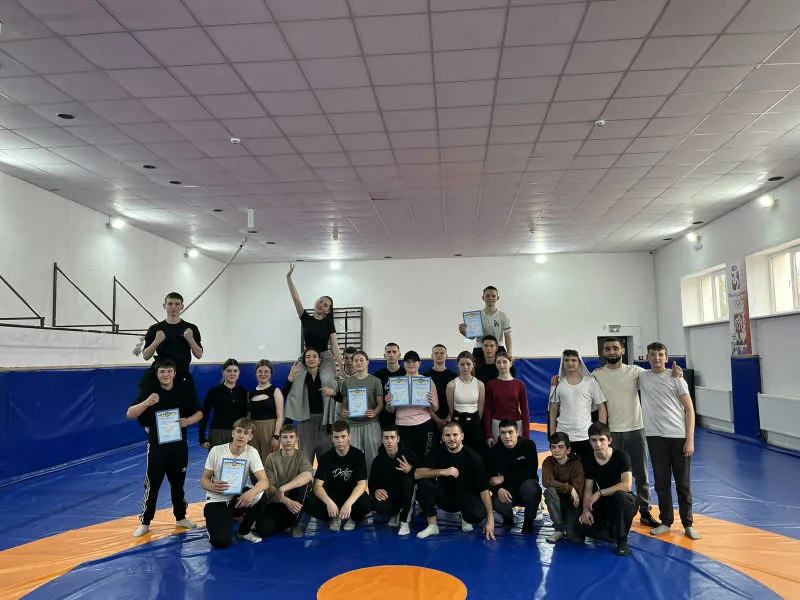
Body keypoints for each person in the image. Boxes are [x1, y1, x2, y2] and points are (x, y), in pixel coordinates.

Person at [592, 337, 681, 528]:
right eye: (608, 349)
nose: (612, 352)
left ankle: (645, 511)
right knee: (614, 474)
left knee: (641, 474)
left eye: (615, 348)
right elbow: (580, 382)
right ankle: (614, 511)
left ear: (623, 350)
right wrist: (557, 380)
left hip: (636, 429)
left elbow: (658, 373)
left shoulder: (636, 372)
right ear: (603, 352)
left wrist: (676, 372)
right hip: (612, 432)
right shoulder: (597, 375)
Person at [126, 358, 203, 537]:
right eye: (162, 371)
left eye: (169, 371)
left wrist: (188, 421)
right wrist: (147, 402)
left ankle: (181, 517)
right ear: (157, 374)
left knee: (178, 484)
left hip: (178, 447)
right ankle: (145, 522)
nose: (166, 374)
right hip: (157, 447)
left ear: (174, 373)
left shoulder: (182, 392)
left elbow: (199, 412)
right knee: (152, 485)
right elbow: (130, 413)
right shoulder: (150, 393)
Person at [639, 342, 701, 540]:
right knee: (661, 482)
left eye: (660, 354)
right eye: (652, 354)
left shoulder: (676, 378)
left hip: (678, 436)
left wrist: (690, 440)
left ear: (666, 358)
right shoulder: (642, 377)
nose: (656, 358)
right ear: (647, 357)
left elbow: (689, 409)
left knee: (683, 483)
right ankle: (666, 521)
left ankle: (688, 523)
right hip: (655, 436)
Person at [284, 263, 344, 437]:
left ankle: (329, 420)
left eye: (325, 305)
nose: (321, 305)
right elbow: (296, 298)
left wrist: (341, 368)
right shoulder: (305, 318)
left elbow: (335, 346)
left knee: (329, 382)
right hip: (307, 356)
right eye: (320, 302)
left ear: (328, 310)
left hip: (324, 356)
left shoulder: (328, 323)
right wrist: (288, 278)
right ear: (316, 302)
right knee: (296, 381)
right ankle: (291, 417)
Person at [415, 422, 496, 541]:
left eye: (455, 435)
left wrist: (491, 519)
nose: (451, 438)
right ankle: (432, 526)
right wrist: (442, 471)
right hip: (446, 496)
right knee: (423, 483)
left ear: (462, 436)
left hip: (466, 498)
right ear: (442, 438)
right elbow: (417, 474)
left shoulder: (473, 457)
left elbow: (484, 490)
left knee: (477, 514)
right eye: (447, 435)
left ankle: (465, 516)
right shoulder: (438, 452)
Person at [569, 422, 637, 557]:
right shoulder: (589, 460)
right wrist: (586, 509)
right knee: (579, 526)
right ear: (589, 441)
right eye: (593, 440)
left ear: (609, 440)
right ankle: (611, 532)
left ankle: (622, 541)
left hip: (626, 501)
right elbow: (588, 489)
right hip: (605, 502)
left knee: (620, 496)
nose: (598, 444)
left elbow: (627, 485)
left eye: (602, 440)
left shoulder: (621, 456)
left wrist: (599, 493)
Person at [201, 418, 269, 548]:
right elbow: (204, 480)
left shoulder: (252, 452)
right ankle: (213, 522)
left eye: (246, 433)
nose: (241, 435)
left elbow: (264, 481)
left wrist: (251, 493)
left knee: (261, 495)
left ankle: (244, 531)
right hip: (217, 499)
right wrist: (211, 485)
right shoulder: (216, 451)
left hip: (237, 498)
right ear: (233, 433)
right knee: (220, 542)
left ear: (250, 437)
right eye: (239, 431)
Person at [304, 421, 371, 531]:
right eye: (336, 437)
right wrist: (329, 503)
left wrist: (348, 504)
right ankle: (332, 517)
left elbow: (362, 484)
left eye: (343, 436)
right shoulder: (326, 457)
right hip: (332, 496)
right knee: (310, 502)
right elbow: (317, 486)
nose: (340, 441)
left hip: (350, 495)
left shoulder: (358, 455)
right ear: (332, 438)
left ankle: (352, 518)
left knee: (366, 503)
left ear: (349, 437)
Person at [255, 423, 314, 539]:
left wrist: (283, 488)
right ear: (280, 439)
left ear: (296, 439)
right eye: (285, 437)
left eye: (291, 437)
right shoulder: (271, 458)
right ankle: (286, 522)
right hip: (278, 500)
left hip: (296, 500)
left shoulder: (301, 456)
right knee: (263, 530)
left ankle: (296, 523)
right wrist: (286, 501)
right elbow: (269, 486)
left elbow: (308, 475)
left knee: (304, 486)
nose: (288, 440)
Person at [548, 350, 607, 459]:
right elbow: (553, 410)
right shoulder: (558, 383)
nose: (570, 363)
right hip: (563, 435)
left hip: (585, 435)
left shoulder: (590, 382)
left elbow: (601, 408)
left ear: (579, 362)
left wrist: (600, 432)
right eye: (567, 360)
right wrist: (552, 435)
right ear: (563, 363)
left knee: (587, 467)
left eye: (573, 360)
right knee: (565, 468)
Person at [140, 292, 203, 394]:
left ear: (182, 306)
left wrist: (190, 339)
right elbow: (146, 356)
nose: (173, 307)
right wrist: (156, 341)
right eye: (170, 304)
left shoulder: (191, 328)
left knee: (188, 402)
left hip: (182, 372)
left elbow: (199, 355)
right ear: (164, 306)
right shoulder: (155, 329)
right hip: (162, 373)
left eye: (177, 304)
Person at [282, 348, 337, 466]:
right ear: (304, 360)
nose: (311, 359)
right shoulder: (299, 376)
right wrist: (290, 377)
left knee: (326, 460)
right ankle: (306, 479)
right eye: (308, 357)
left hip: (324, 421)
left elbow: (339, 397)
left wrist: (333, 393)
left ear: (319, 360)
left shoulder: (327, 377)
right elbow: (285, 394)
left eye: (314, 356)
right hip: (305, 421)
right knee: (305, 461)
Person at [487, 419, 541, 533]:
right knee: (498, 501)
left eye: (510, 432)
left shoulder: (528, 445)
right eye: (503, 433)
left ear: (517, 432)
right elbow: (490, 477)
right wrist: (498, 489)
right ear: (499, 434)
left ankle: (529, 520)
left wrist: (504, 477)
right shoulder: (494, 451)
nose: (507, 436)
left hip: (526, 487)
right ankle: (508, 518)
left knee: (531, 488)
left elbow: (531, 472)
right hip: (508, 490)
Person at [385, 350, 439, 461]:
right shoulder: (396, 383)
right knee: (405, 458)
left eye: (414, 361)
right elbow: (391, 410)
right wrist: (389, 403)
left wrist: (433, 403)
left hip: (423, 424)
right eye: (408, 361)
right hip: (402, 425)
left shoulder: (427, 382)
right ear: (403, 364)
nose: (411, 364)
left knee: (424, 458)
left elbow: (435, 408)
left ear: (419, 363)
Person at [336, 350, 383, 475]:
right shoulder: (347, 382)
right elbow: (344, 405)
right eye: (355, 360)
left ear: (367, 362)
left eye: (361, 360)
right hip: (352, 424)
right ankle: (355, 484)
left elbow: (380, 405)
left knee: (373, 457)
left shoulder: (375, 381)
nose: (358, 362)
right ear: (352, 363)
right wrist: (344, 411)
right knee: (353, 457)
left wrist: (375, 412)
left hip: (371, 423)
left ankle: (373, 484)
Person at [369, 426, 420, 536]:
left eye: (392, 437)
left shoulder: (408, 454)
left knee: (407, 482)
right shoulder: (377, 460)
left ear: (398, 439)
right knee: (378, 505)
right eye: (386, 438)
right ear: (382, 440)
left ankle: (404, 520)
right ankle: (395, 513)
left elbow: (420, 472)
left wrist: (410, 470)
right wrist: (376, 491)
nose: (389, 441)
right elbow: (372, 483)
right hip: (390, 495)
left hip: (407, 492)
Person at [541, 432, 585, 543]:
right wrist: (570, 489)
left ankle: (570, 525)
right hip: (557, 501)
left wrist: (573, 492)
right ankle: (559, 529)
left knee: (575, 539)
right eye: (553, 447)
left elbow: (577, 497)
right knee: (549, 491)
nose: (556, 450)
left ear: (568, 450)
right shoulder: (548, 461)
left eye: (560, 447)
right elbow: (547, 482)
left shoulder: (577, 465)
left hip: (572, 505)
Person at [199, 358, 248, 449]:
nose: (232, 374)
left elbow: (246, 414)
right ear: (223, 372)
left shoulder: (243, 392)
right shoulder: (214, 392)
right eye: (229, 371)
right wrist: (202, 438)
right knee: (218, 458)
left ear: (239, 373)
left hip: (238, 433)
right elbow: (204, 415)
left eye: (235, 371)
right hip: (218, 434)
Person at [484, 351, 530, 446]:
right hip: (497, 424)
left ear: (511, 363)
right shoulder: (490, 385)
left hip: (516, 424)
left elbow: (525, 410)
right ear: (495, 364)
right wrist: (488, 435)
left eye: (504, 362)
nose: (501, 365)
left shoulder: (519, 384)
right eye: (498, 362)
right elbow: (488, 410)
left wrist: (526, 433)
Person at [457, 285, 513, 363]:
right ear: (483, 297)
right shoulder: (476, 316)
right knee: (477, 370)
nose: (490, 298)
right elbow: (471, 337)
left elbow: (507, 336)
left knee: (505, 369)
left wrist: (509, 352)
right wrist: (464, 332)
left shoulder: (503, 316)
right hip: (480, 349)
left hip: (498, 349)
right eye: (487, 296)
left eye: (493, 296)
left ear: (497, 298)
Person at [446, 351, 486, 455]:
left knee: (476, 452)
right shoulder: (451, 385)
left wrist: (475, 421)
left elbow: (481, 408)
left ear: (473, 365)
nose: (465, 367)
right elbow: (451, 409)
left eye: (468, 364)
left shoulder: (480, 384)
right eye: (462, 364)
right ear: (457, 365)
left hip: (474, 423)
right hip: (458, 422)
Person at [248, 359, 285, 464]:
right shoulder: (250, 393)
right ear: (256, 373)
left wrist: (276, 436)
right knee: (254, 462)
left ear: (271, 374)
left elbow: (280, 416)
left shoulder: (275, 391)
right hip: (253, 431)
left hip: (270, 430)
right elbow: (248, 415)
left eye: (266, 371)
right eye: (260, 371)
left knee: (269, 462)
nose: (263, 374)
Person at [423, 344, 457, 430]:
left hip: (450, 417)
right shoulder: (425, 377)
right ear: (432, 356)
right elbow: (424, 400)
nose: (439, 355)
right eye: (436, 353)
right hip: (430, 417)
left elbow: (456, 399)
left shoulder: (454, 376)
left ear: (446, 356)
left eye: (442, 353)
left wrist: (449, 416)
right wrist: (436, 419)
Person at [374, 342, 406, 429]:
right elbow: (376, 397)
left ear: (399, 355)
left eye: (394, 352)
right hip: (384, 416)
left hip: (403, 416)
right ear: (385, 355)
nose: (391, 355)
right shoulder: (378, 374)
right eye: (388, 352)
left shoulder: (405, 373)